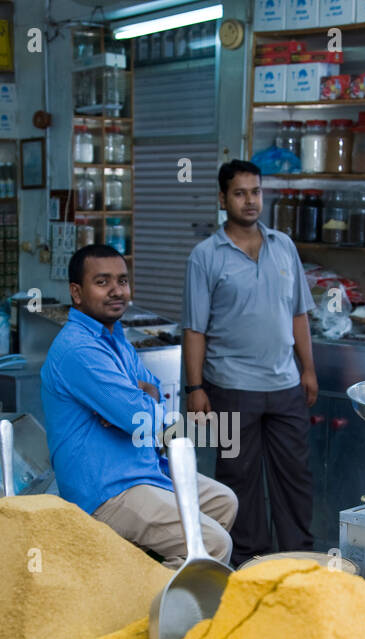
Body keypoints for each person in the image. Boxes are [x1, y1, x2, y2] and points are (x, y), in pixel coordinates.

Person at [41, 244, 237, 568]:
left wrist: (131, 403)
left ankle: (152, 573)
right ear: (76, 292)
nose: (116, 291)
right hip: (108, 489)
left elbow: (154, 393)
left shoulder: (115, 338)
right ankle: (151, 610)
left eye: (122, 280)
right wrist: (134, 406)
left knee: (223, 503)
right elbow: (143, 419)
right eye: (102, 282)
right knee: (214, 544)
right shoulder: (79, 348)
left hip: (142, 467)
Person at [182, 160, 317, 567]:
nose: (250, 200)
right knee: (239, 480)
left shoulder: (284, 246)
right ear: (223, 199)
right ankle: (248, 564)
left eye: (255, 191)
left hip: (285, 385)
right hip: (229, 386)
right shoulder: (205, 256)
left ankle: (297, 561)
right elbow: (194, 329)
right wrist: (195, 388)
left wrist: (307, 369)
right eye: (240, 193)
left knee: (294, 478)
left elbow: (299, 314)